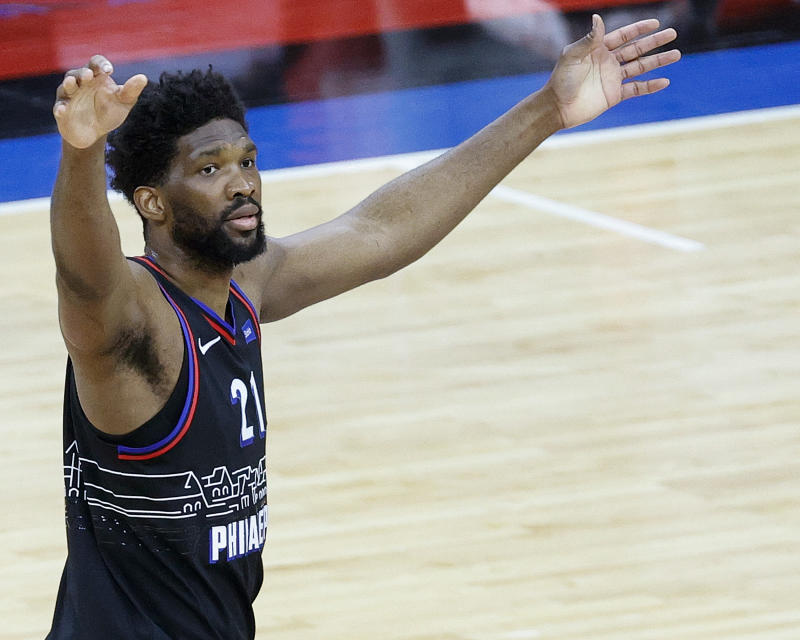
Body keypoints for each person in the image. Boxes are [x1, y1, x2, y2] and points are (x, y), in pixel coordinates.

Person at [46, 14, 680, 639]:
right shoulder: (131, 325)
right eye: (211, 170)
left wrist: (549, 108)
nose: (242, 185)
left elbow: (380, 231)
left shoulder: (241, 289)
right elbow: (85, 275)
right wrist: (81, 153)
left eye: (247, 161)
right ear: (153, 201)